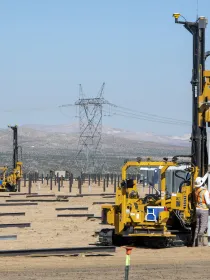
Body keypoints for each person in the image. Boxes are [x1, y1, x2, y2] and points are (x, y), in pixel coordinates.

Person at [193, 172, 210, 246]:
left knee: (197, 227)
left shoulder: (196, 190)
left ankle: (195, 243)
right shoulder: (205, 191)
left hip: (198, 209)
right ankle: (199, 244)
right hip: (204, 210)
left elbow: (202, 179)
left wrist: (207, 173)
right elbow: (208, 203)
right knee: (203, 227)